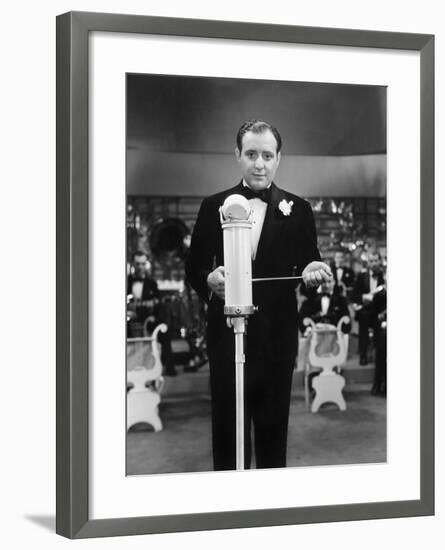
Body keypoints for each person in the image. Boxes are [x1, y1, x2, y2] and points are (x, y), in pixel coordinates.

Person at [186, 120, 332, 470]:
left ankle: (270, 511)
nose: (259, 164)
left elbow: (310, 257)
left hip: (277, 341)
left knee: (273, 435)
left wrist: (315, 270)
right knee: (227, 434)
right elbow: (193, 268)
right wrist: (209, 279)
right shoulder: (212, 205)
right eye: (251, 154)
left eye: (267, 155)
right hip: (225, 337)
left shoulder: (299, 210)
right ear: (237, 155)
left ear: (279, 158)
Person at [127, 251, 176, 376]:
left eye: (143, 264)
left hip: (147, 320)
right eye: (138, 264)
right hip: (128, 321)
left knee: (164, 331)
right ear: (133, 264)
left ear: (146, 265)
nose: (140, 267)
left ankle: (168, 366)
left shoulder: (151, 283)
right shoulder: (126, 281)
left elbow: (158, 303)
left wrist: (154, 315)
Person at [352, 251, 385, 365]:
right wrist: (363, 297)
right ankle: (363, 354)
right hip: (364, 311)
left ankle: (379, 356)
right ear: (368, 263)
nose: (374, 263)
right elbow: (354, 295)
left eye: (376, 260)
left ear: (380, 261)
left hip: (378, 311)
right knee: (363, 320)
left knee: (380, 325)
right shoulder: (361, 276)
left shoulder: (384, 277)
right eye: (372, 261)